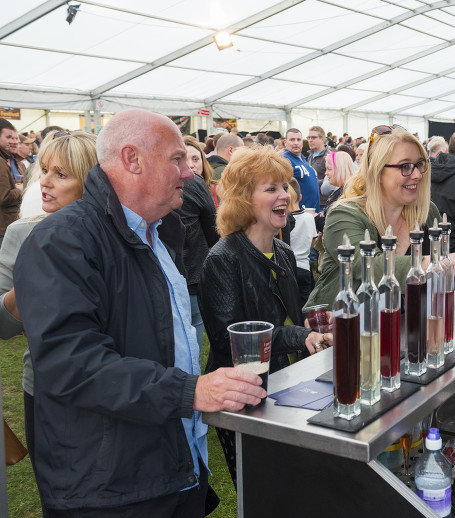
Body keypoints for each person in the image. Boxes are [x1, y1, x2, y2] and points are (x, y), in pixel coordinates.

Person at [15, 109, 267, 516]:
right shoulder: (61, 241)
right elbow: (72, 364)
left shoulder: (159, 230)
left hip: (171, 468)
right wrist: (192, 392)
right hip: (111, 492)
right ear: (132, 159)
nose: (189, 170)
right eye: (176, 159)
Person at [199, 145, 330, 487]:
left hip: (285, 387)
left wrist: (315, 327)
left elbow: (289, 320)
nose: (284, 195)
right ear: (243, 198)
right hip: (242, 399)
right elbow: (232, 342)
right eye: (270, 188)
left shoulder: (284, 251)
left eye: (284, 186)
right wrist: (301, 337)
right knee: (260, 490)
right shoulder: (223, 258)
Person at [305, 125, 455, 308]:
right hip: (338, 331)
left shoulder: (427, 213)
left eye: (420, 164)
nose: (418, 174)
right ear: (377, 171)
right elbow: (369, 266)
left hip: (408, 330)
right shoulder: (344, 214)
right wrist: (439, 264)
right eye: (405, 166)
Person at [0, 131, 98, 472]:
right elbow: (2, 324)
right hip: (45, 384)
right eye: (44, 170)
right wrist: (27, 286)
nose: (45, 182)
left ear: (90, 181)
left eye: (62, 174)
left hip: (111, 382)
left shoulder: (122, 235)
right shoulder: (22, 233)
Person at [179, 135, 219, 348]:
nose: (191, 165)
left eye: (196, 159)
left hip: (190, 273)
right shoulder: (194, 186)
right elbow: (214, 233)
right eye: (184, 159)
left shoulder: (210, 189)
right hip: (191, 274)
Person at [287, 178, 317, 305]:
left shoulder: (283, 221)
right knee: (305, 305)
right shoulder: (309, 218)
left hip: (288, 268)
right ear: (300, 197)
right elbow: (312, 244)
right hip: (304, 267)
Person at [283, 128, 321, 213]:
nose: (296, 143)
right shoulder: (284, 159)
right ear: (285, 142)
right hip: (298, 214)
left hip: (313, 213)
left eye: (298, 139)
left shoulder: (304, 160)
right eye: (292, 140)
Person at [0, 119, 23, 245]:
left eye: (15, 138)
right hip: (3, 227)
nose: (14, 141)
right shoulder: (0, 162)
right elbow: (3, 197)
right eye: (9, 137)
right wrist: (19, 190)